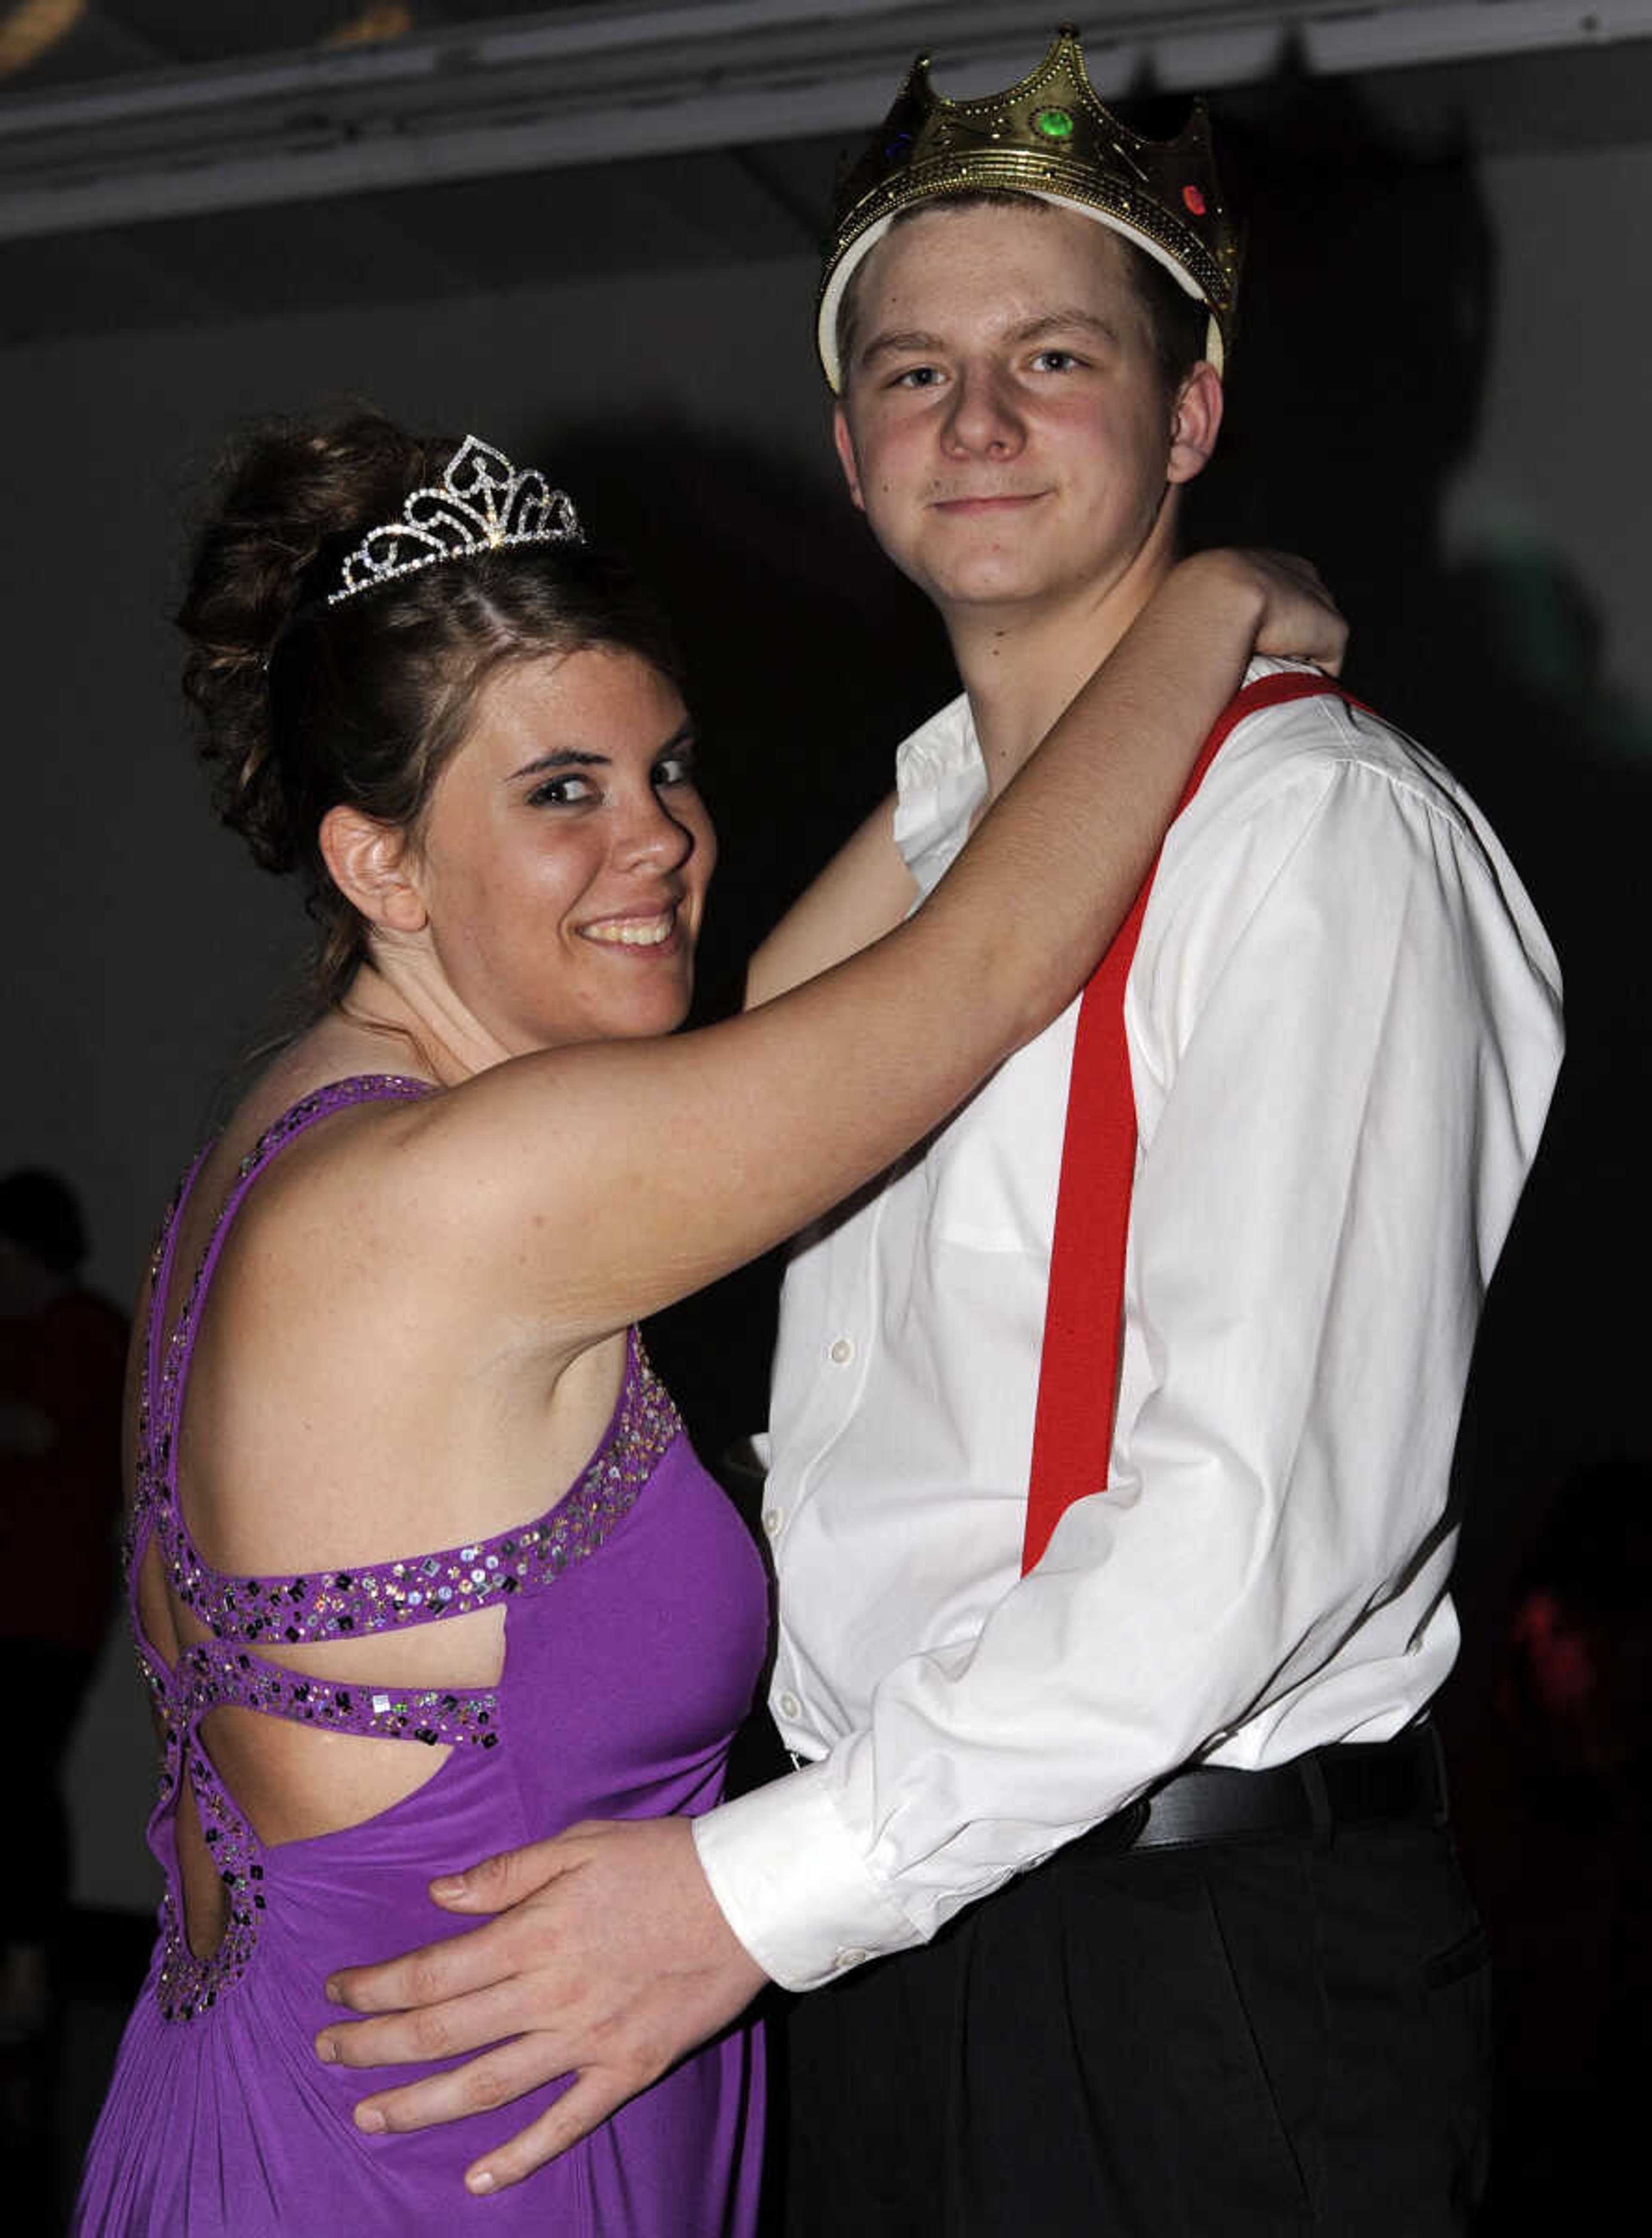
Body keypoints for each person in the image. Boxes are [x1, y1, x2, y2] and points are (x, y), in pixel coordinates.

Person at [311, 28, 1564, 2235]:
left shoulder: (1312, 835)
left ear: (1186, 413)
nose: (971, 421)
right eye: (911, 372)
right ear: (846, 441)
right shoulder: (943, 858)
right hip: (897, 1932)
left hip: (1175, 1965)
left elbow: (1243, 1529)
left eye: (1053, 355)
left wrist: (750, 1897)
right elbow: (801, 1024)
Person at [71, 405, 1337, 2238]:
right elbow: (968, 980)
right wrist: (1202, 603)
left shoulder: (280, 1153)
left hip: (256, 2109)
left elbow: (796, 999)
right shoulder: (476, 1191)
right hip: (460, 2162)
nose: (659, 837)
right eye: (560, 791)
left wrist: (1040, 697)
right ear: (382, 866)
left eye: (670, 767)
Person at [0, 1170, 127, 2047]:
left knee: (20, 1785)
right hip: (18, 1604)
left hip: (49, 1611)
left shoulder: (86, 1330)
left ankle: (29, 1967)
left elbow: (39, 1429)